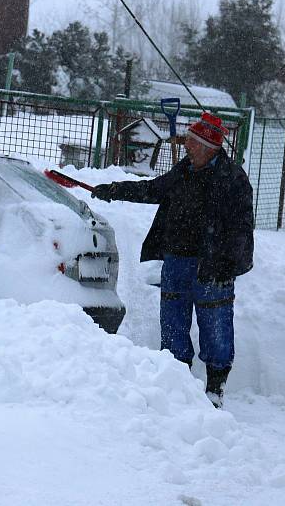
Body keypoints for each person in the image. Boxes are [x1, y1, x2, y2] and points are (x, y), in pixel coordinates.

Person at [92, 112, 254, 408]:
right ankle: (178, 381)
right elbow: (153, 189)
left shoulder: (233, 180)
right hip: (177, 261)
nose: (187, 146)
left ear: (208, 146)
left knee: (215, 326)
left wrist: (227, 266)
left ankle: (215, 388)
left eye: (192, 142)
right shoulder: (185, 170)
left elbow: (242, 230)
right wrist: (116, 190)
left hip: (213, 267)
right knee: (173, 324)